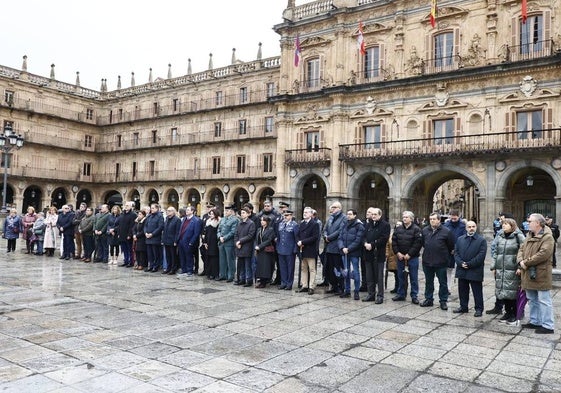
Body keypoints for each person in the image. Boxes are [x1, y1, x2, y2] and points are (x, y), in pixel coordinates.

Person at [518, 213, 555, 334]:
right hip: (528, 272)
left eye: (530, 221)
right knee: (532, 298)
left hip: (541, 273)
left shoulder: (547, 237)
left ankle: (548, 325)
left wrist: (526, 262)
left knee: (544, 300)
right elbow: (521, 249)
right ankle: (535, 321)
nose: (528, 223)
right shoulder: (529, 235)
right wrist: (520, 260)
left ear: (538, 223)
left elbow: (543, 254)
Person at [490, 217, 525, 324]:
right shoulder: (500, 236)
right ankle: (507, 312)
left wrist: (520, 267)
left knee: (512, 292)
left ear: (512, 225)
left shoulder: (518, 236)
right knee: (503, 291)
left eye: (506, 224)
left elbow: (523, 252)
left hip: (513, 269)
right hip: (501, 268)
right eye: (503, 224)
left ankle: (514, 313)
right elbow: (495, 251)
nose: (503, 225)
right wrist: (494, 266)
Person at [420, 212, 454, 310]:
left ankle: (443, 301)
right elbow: (423, 243)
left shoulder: (446, 231)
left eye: (434, 219)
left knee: (443, 283)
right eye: (430, 219)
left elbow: (450, 246)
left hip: (441, 262)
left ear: (439, 220)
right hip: (427, 261)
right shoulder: (425, 230)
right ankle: (429, 299)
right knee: (428, 282)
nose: (432, 221)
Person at [453, 220, 488, 317]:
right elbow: (456, 253)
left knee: (477, 291)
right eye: (469, 227)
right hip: (462, 269)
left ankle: (479, 309)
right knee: (462, 290)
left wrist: (469, 264)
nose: (471, 228)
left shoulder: (481, 240)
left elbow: (481, 256)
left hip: (475, 270)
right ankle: (463, 307)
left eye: (473, 226)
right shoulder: (460, 239)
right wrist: (460, 263)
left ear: (476, 227)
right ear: (466, 228)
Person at [392, 210, 423, 304]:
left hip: (412, 258)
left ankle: (414, 295)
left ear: (411, 219)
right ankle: (401, 294)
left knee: (413, 277)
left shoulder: (416, 229)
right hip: (400, 257)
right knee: (401, 276)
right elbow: (394, 242)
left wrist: (409, 254)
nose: (404, 219)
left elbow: (417, 244)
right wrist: (397, 253)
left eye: (406, 217)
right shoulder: (398, 229)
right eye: (403, 217)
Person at [362, 207, 390, 304]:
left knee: (379, 276)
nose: (373, 216)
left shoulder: (385, 225)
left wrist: (372, 245)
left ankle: (380, 296)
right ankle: (371, 294)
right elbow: (363, 236)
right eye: (372, 214)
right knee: (369, 276)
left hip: (378, 254)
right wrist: (365, 243)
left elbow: (384, 238)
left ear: (380, 215)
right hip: (368, 253)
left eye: (375, 214)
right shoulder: (368, 224)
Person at [337, 209, 365, 300]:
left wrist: (349, 248)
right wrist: (342, 247)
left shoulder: (359, 226)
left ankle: (356, 291)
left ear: (355, 215)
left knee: (355, 272)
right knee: (346, 272)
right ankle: (347, 291)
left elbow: (358, 240)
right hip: (345, 252)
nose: (348, 216)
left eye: (350, 214)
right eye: (347, 214)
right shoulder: (344, 224)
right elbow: (340, 237)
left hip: (354, 253)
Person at [296, 207, 320, 295]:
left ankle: (311, 286)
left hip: (310, 249)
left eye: (306, 212)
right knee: (303, 268)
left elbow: (315, 237)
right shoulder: (301, 224)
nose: (304, 213)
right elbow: (297, 234)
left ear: (311, 214)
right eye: (304, 212)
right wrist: (298, 241)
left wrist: (303, 242)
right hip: (302, 249)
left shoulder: (315, 224)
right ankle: (304, 285)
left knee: (312, 269)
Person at [323, 202, 346, 294]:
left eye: (334, 207)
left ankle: (341, 286)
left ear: (339, 208)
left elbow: (340, 231)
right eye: (332, 207)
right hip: (329, 247)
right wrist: (325, 236)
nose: (332, 209)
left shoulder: (343, 218)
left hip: (336, 247)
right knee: (330, 268)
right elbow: (325, 229)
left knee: (338, 268)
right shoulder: (330, 218)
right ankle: (333, 286)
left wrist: (329, 237)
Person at [443, 209, 466, 295]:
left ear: (459, 217)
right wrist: (450, 249)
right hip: (448, 251)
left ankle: (462, 288)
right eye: (452, 218)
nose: (453, 220)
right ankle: (447, 288)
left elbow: (464, 238)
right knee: (448, 269)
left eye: (455, 219)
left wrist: (456, 249)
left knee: (460, 269)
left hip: (459, 251)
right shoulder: (446, 225)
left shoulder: (463, 226)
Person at [276, 210, 299, 290]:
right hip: (281, 249)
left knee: (290, 268)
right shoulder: (281, 224)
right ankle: (283, 282)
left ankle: (289, 284)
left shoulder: (294, 225)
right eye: (284, 215)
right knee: (282, 267)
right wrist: (277, 247)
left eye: (287, 215)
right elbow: (278, 237)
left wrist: (295, 249)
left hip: (290, 250)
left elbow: (296, 238)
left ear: (291, 216)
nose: (285, 217)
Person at [234, 207, 256, 286]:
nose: (242, 214)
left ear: (248, 214)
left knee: (247, 265)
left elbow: (250, 235)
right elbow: (236, 234)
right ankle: (242, 279)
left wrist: (240, 241)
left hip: (247, 246)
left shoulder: (251, 223)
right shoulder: (239, 223)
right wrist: (237, 242)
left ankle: (249, 280)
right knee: (241, 264)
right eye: (241, 213)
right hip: (239, 247)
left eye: (244, 213)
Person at [177, 205, 201, 276]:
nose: (186, 211)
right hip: (181, 240)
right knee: (182, 256)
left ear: (192, 211)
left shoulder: (196, 220)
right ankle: (184, 269)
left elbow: (196, 233)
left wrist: (191, 242)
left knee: (189, 256)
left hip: (189, 241)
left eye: (188, 210)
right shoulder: (184, 219)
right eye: (186, 210)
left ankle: (189, 270)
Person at [217, 204, 239, 282]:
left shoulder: (235, 220)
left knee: (230, 260)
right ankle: (223, 275)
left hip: (229, 243)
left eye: (227, 211)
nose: (225, 212)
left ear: (231, 211)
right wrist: (219, 236)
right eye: (225, 210)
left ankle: (231, 276)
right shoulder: (223, 219)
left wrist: (225, 238)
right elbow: (219, 229)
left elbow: (233, 232)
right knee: (222, 260)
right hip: (221, 242)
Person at [254, 215, 276, 288]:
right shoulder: (259, 229)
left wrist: (260, 246)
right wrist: (256, 246)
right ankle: (260, 280)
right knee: (260, 266)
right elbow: (256, 239)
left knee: (265, 267)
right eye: (261, 220)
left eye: (263, 220)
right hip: (260, 251)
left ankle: (264, 281)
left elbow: (269, 240)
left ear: (267, 222)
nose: (262, 222)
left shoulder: (270, 229)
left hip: (266, 250)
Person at [144, 203, 164, 272]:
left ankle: (156, 266)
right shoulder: (149, 216)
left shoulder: (160, 216)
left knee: (155, 253)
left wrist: (152, 234)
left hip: (155, 238)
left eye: (153, 208)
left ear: (157, 208)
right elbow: (145, 226)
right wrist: (145, 233)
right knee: (150, 254)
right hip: (148, 238)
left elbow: (160, 227)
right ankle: (151, 265)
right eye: (151, 208)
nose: (151, 209)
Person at [202, 208, 221, 280]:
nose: (211, 215)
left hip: (214, 242)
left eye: (213, 214)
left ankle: (215, 273)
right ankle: (209, 273)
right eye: (210, 214)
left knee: (214, 258)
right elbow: (206, 233)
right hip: (208, 241)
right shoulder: (208, 221)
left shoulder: (218, 221)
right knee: (208, 258)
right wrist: (205, 242)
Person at [162, 206, 181, 274]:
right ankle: (168, 268)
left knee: (173, 255)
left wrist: (176, 240)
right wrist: (163, 240)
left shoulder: (177, 219)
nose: (168, 212)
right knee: (168, 255)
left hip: (172, 241)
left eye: (169, 211)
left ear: (173, 212)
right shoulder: (167, 218)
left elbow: (177, 231)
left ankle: (173, 268)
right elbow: (164, 230)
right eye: (167, 211)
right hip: (166, 240)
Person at [118, 201, 137, 267]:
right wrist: (119, 233)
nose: (126, 207)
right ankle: (126, 260)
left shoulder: (133, 215)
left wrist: (129, 235)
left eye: (128, 205)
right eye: (125, 205)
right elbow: (120, 225)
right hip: (122, 235)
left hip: (128, 235)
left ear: (131, 207)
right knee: (124, 249)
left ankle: (131, 261)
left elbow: (132, 226)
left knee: (130, 249)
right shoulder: (122, 214)